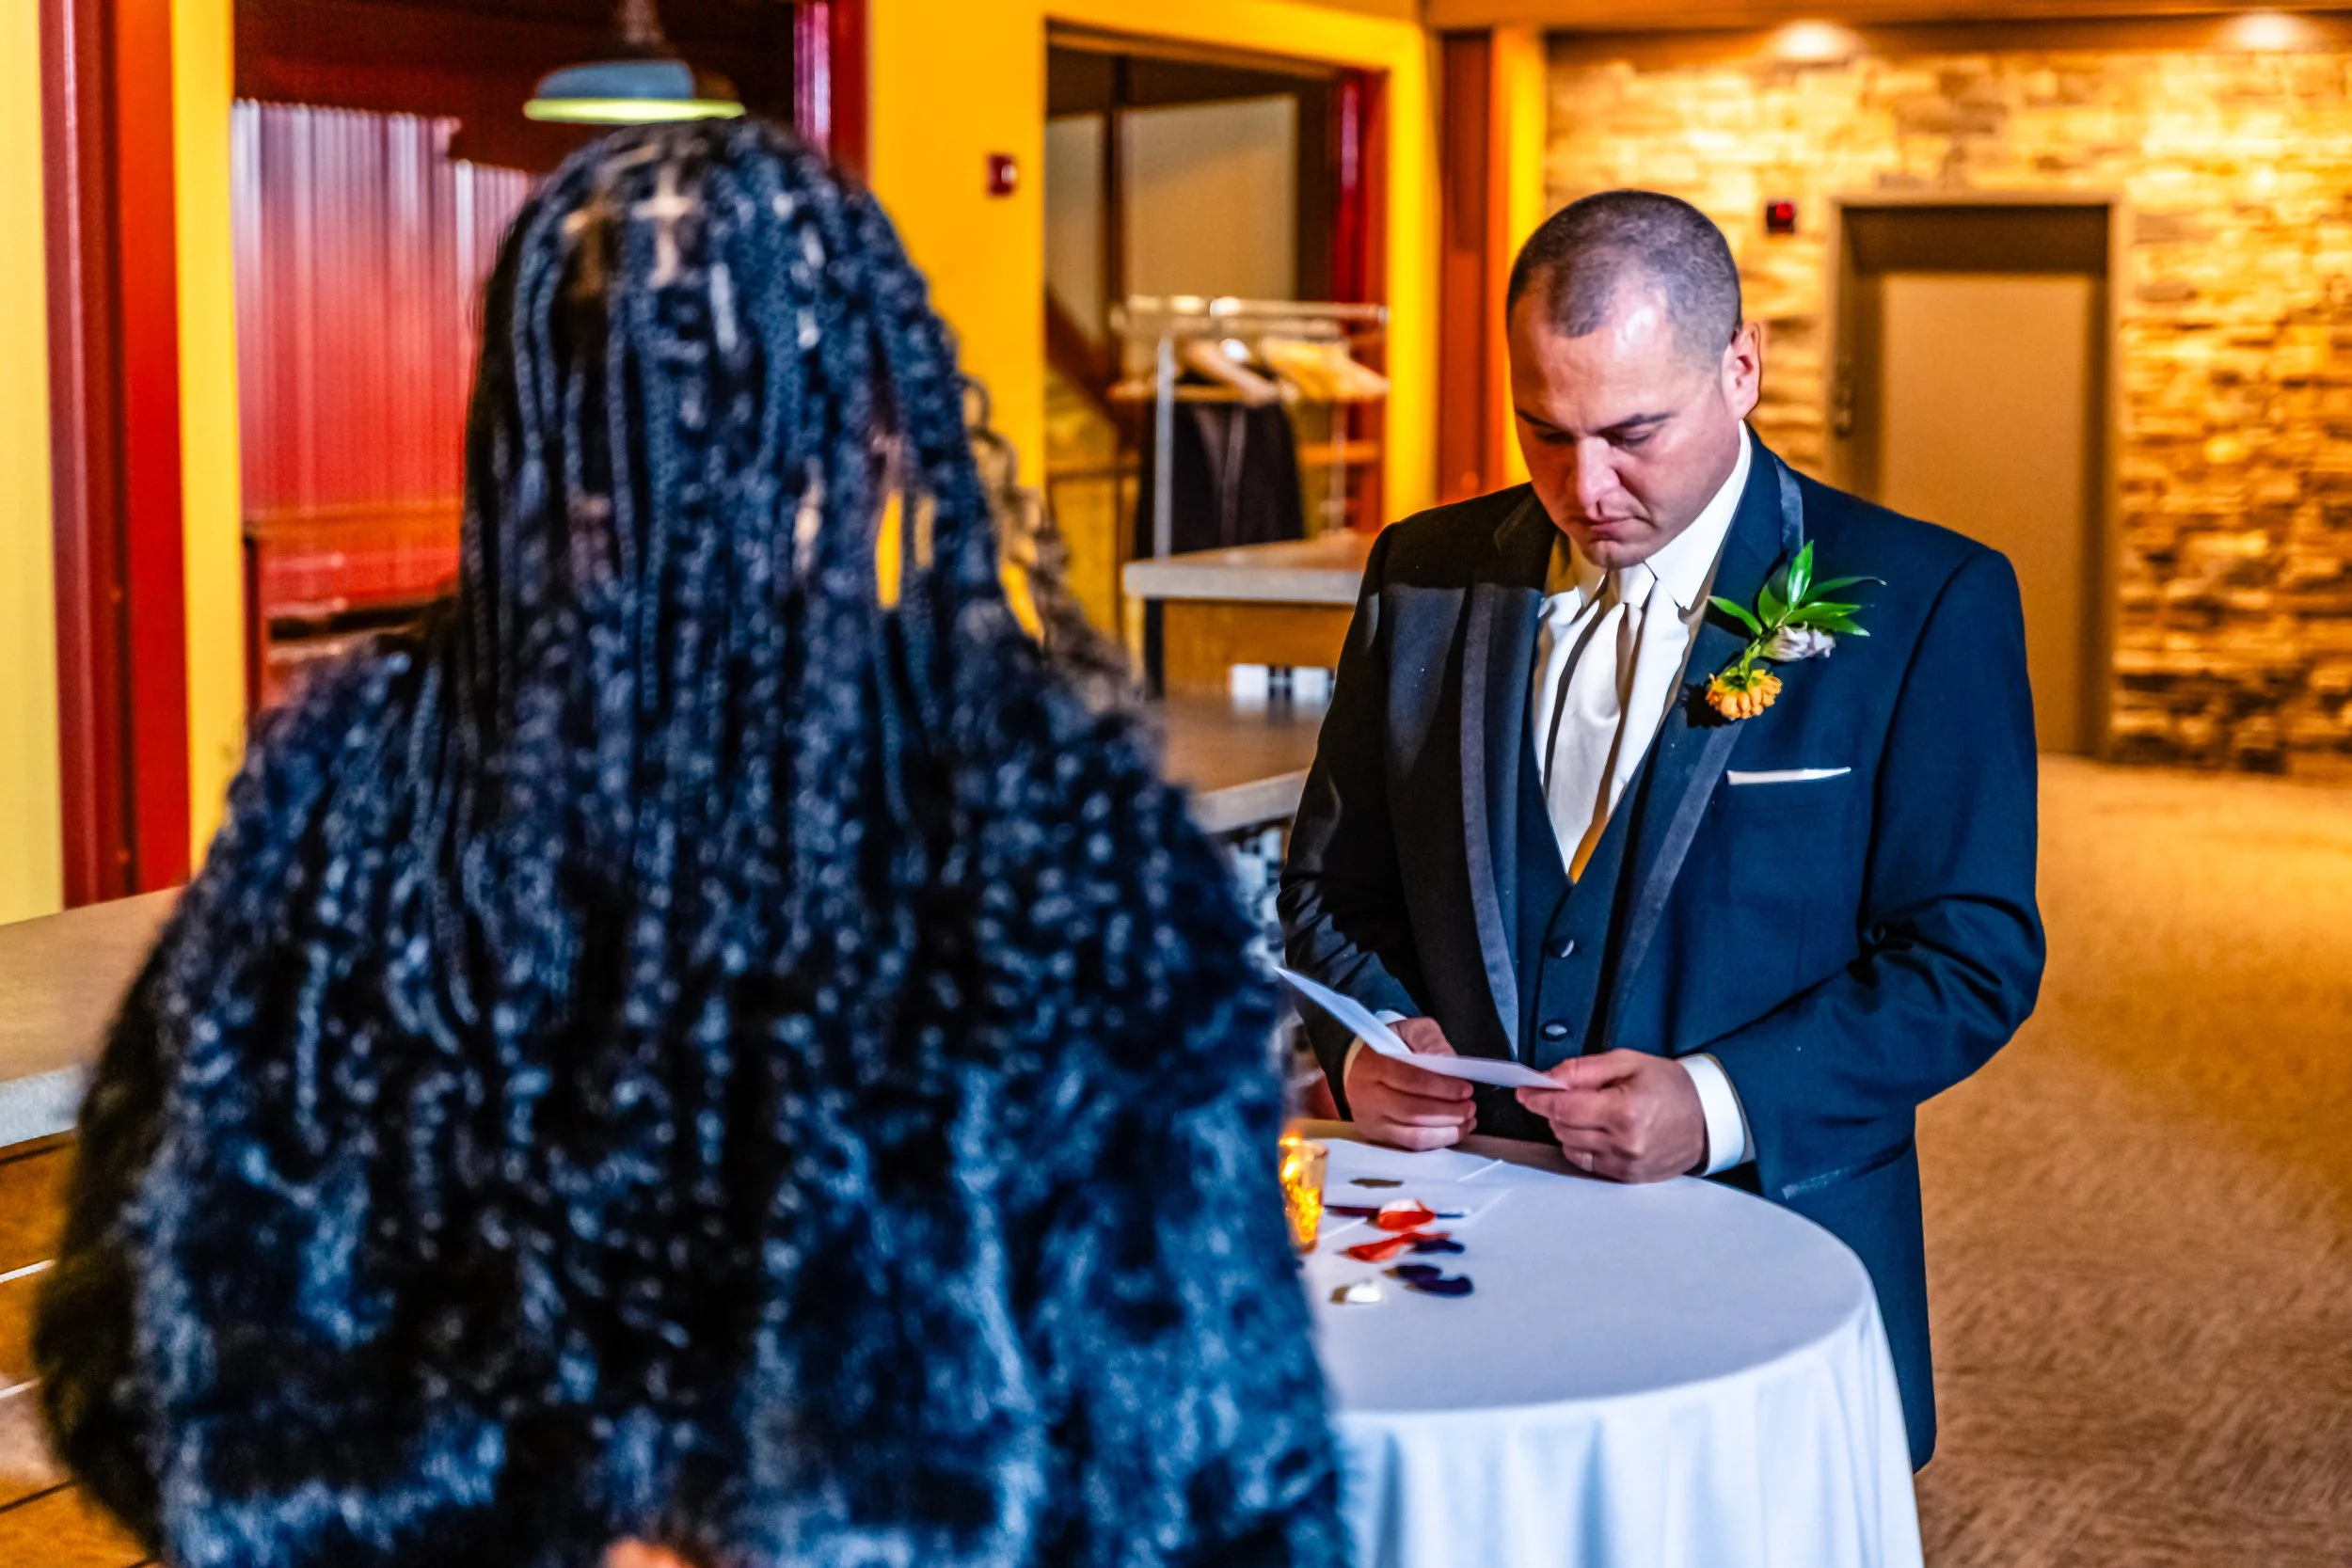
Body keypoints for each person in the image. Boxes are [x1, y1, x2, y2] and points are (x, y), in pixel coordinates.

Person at [37, 121, 1344, 1568]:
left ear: (521, 429)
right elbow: (1219, 1462)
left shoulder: (354, 789)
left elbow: (141, 1366)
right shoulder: (1045, 812)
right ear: (880, 435)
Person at [1279, 190, 2044, 1469]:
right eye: (1544, 431)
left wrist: (1716, 1099)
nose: (1586, 488)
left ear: (1741, 368)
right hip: (1460, 1244)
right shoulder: (1423, 574)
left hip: (1770, 1240)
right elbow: (1327, 888)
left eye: (1634, 433)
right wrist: (1366, 1048)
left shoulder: (1928, 599)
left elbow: (1969, 957)